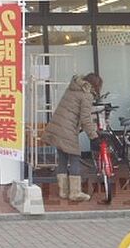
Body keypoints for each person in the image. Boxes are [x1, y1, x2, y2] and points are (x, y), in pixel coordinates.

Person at [42, 73, 101, 202]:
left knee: (63, 158)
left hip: (57, 126)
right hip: (67, 129)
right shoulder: (86, 95)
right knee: (75, 157)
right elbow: (85, 119)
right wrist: (93, 136)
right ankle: (75, 192)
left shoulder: (72, 88)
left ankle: (63, 191)